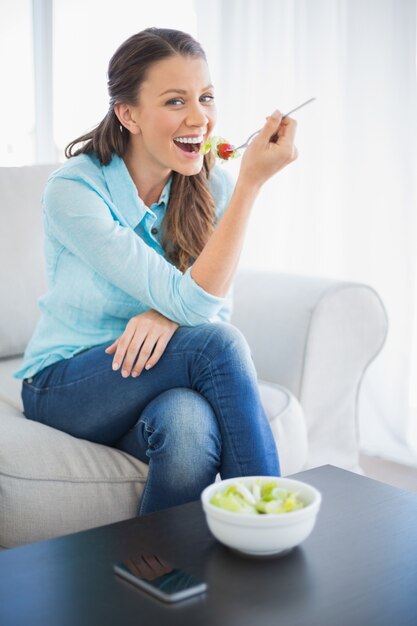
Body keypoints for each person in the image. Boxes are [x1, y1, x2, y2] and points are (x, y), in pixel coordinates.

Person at [14, 27, 297, 515]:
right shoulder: (75, 192)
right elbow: (204, 318)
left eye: (206, 97)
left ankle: (161, 581)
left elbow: (215, 304)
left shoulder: (213, 185)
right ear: (128, 114)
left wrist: (165, 317)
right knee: (219, 345)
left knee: (187, 424)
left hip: (156, 376)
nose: (199, 118)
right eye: (174, 101)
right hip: (66, 381)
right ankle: (265, 524)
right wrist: (253, 184)